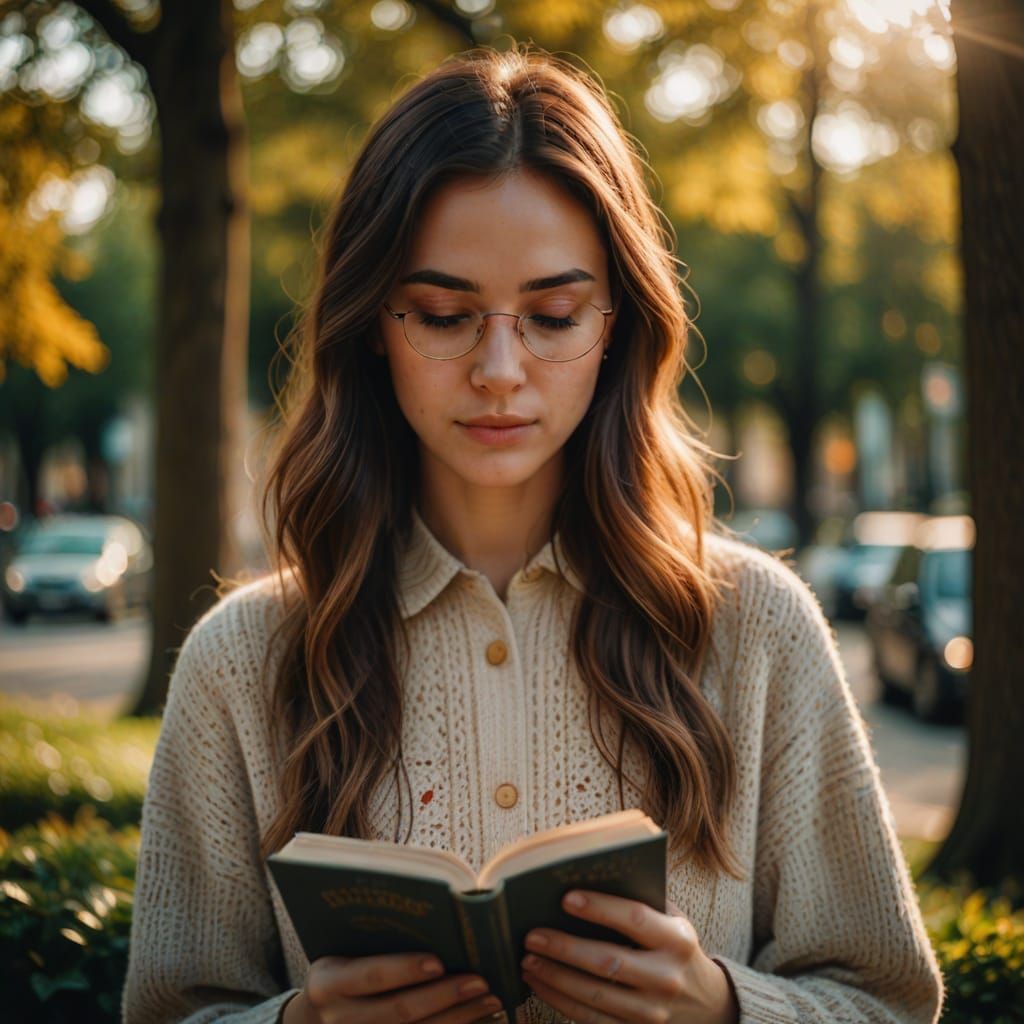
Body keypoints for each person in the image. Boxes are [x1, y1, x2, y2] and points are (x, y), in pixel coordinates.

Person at [122, 45, 944, 1024]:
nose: (500, 368)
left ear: (616, 324)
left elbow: (890, 999)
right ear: (372, 326)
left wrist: (724, 1009)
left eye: (553, 315)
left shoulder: (757, 629)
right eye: (442, 312)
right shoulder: (241, 661)